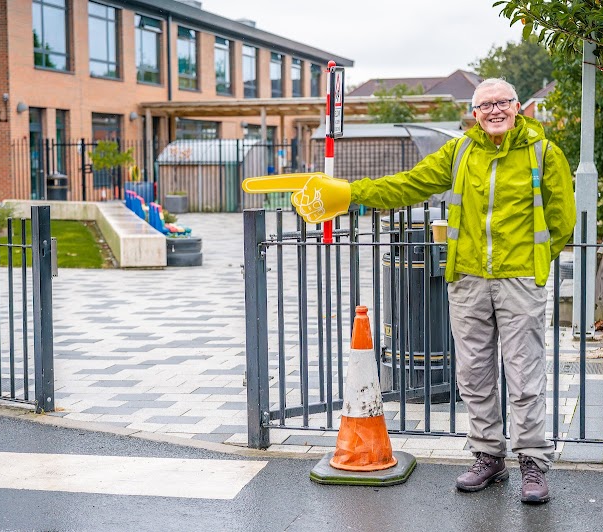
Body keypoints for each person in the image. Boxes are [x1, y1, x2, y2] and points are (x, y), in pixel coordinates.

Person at [243, 78, 575, 504]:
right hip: (467, 279)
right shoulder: (459, 153)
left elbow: (562, 220)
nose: (495, 110)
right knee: (473, 374)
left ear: (517, 107)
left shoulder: (544, 153)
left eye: (503, 102)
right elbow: (407, 184)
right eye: (486, 105)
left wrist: (534, 264)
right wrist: (350, 193)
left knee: (524, 375)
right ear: (474, 114)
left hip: (520, 280)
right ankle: (489, 456)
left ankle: (531, 461)